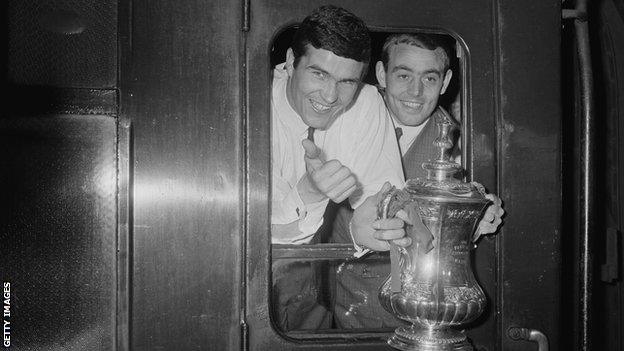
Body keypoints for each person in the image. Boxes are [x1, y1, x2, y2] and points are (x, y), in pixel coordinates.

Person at [330, 33, 505, 328]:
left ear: (446, 82)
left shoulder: (467, 146)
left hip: (428, 316)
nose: (415, 92)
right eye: (403, 75)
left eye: (429, 79)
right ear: (381, 74)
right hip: (354, 309)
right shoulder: (343, 121)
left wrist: (478, 220)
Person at [270, 6, 411, 331]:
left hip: (314, 295)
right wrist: (312, 191)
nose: (330, 96)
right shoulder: (253, 105)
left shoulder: (365, 103)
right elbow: (265, 233)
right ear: (291, 62)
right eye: (319, 74)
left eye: (347, 81)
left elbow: (382, 195)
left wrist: (375, 223)